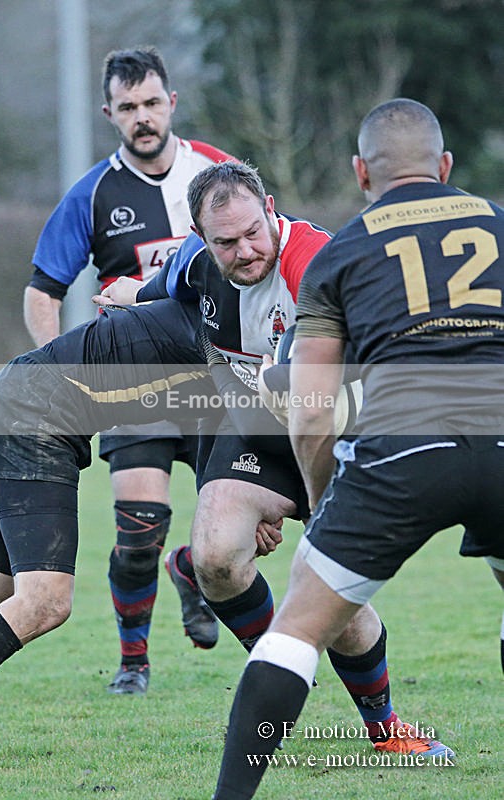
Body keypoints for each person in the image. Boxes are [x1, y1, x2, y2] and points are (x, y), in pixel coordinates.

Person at [94, 161, 453, 759]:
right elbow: (154, 294)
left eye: (253, 232)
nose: (244, 250)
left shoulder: (316, 265)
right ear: (203, 239)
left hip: (332, 436)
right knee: (214, 557)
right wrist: (125, 297)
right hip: (253, 430)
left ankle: (387, 730)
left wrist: (304, 500)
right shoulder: (194, 261)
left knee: (338, 600)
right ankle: (283, 666)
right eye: (225, 242)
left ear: (269, 208)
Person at [212, 100, 504, 800]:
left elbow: (311, 408)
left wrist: (321, 502)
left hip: (402, 449)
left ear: (359, 174)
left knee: (297, 631)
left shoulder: (339, 253)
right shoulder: (498, 223)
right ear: (443, 168)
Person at [23, 46, 236, 694]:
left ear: (170, 102)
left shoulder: (217, 173)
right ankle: (133, 665)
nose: (142, 117)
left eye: (151, 103)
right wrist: (60, 372)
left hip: (215, 377)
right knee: (137, 528)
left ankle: (192, 568)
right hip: (134, 379)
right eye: (128, 108)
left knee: (239, 531)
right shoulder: (92, 193)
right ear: (109, 113)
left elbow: (261, 250)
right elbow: (43, 291)